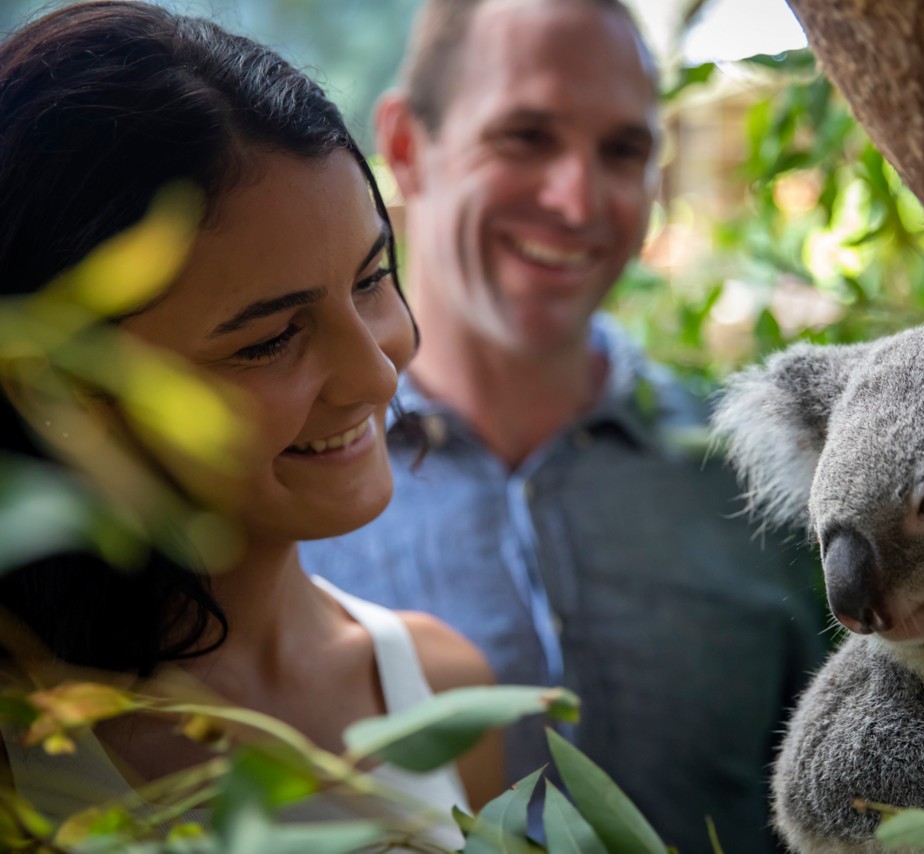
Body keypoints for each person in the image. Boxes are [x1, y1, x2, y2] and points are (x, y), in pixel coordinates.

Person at [298, 0, 828, 851]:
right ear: (405, 147)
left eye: (623, 151)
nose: (578, 199)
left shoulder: (756, 470)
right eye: (526, 136)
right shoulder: (286, 485)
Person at [0, 2, 502, 846]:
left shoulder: (446, 693)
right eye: (271, 339)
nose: (377, 372)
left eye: (373, 278)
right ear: (60, 382)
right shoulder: (23, 754)